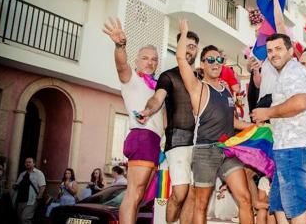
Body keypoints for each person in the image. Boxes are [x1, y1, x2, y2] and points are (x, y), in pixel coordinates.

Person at [176, 19, 253, 224]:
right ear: (202, 65)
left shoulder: (226, 89)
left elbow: (234, 122)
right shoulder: (197, 88)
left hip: (227, 150)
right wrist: (184, 33)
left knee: (245, 199)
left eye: (219, 60)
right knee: (201, 204)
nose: (216, 64)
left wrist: (256, 126)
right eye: (210, 60)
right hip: (205, 151)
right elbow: (182, 60)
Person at [252, 33, 306, 224]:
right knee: (279, 207)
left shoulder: (293, 71)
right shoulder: (288, 73)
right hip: (287, 147)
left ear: (290, 51)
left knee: (296, 210)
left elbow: (300, 102)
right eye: (270, 50)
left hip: (294, 147)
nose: (273, 54)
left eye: (278, 48)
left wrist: (268, 112)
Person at [102, 18, 164, 224]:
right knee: (133, 194)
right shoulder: (132, 80)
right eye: (145, 58)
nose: (150, 62)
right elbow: (121, 65)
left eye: (154, 59)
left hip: (155, 142)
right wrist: (120, 45)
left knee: (140, 198)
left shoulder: (158, 87)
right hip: (142, 136)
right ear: (137, 61)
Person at [140, 31, 200, 224]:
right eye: (185, 45)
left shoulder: (201, 77)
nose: (189, 49)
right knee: (180, 192)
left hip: (200, 142)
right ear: (178, 48)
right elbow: (157, 98)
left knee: (192, 193)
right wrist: (148, 110)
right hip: (178, 141)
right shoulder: (168, 76)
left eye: (193, 46)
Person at [13, 157, 46, 224]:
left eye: (29, 162)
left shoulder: (38, 173)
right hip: (20, 200)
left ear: (34, 163)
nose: (27, 163)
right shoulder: (22, 174)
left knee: (25, 218)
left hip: (32, 200)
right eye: (26, 162)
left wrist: (39, 196)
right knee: (19, 219)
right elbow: (17, 184)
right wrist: (15, 186)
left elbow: (42, 186)